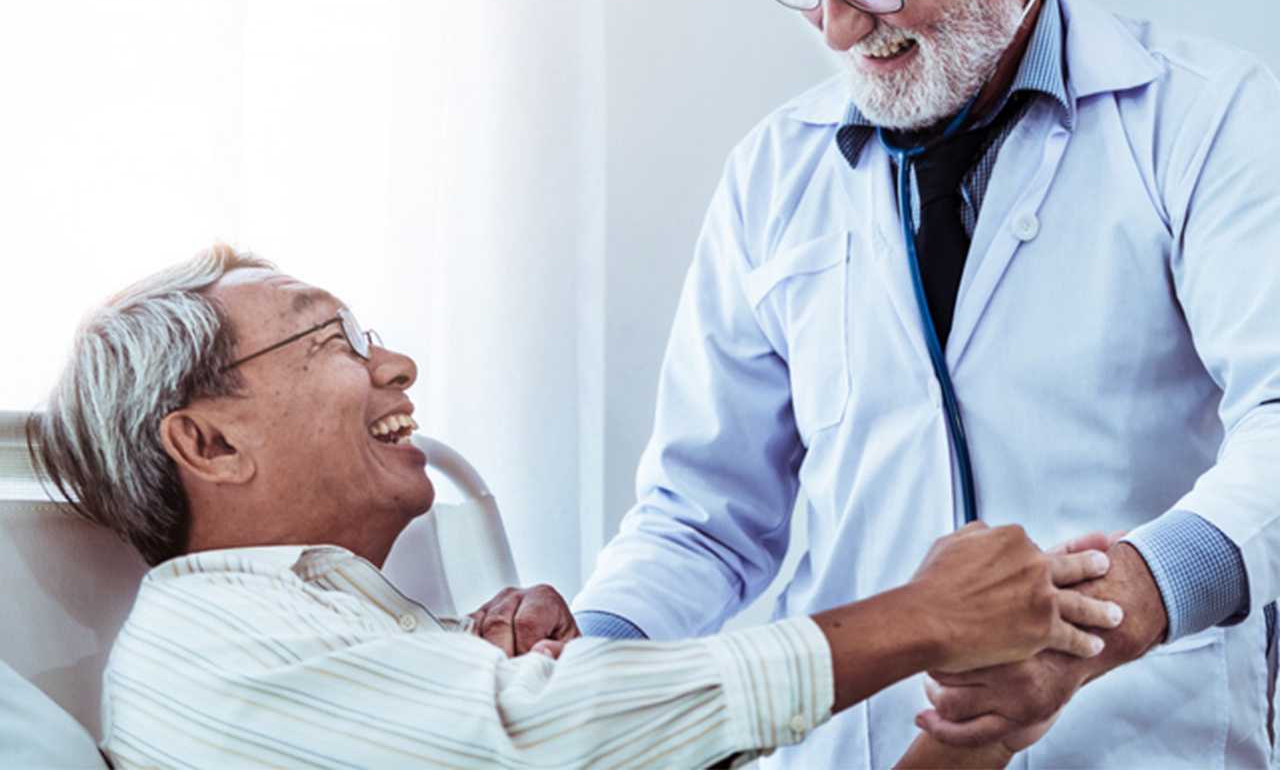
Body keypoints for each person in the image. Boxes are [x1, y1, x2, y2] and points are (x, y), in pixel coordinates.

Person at [571, 0, 1280, 767]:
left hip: (1131, 739)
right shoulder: (774, 173)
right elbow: (702, 513)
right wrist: (584, 664)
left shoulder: (1211, 121)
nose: (836, 25)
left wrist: (1111, 618)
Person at [27, 245, 1120, 769]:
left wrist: (979, 733)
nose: (397, 364)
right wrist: (919, 619)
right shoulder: (207, 651)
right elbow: (542, 740)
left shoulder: (390, 645)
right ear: (209, 442)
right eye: (335, 341)